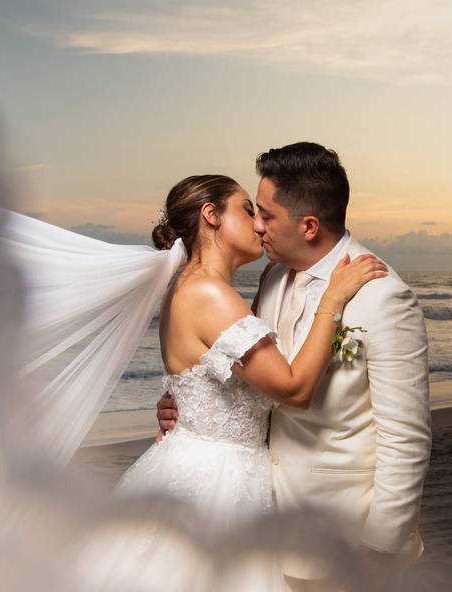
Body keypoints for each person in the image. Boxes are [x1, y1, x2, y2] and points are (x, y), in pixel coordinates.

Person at [157, 143, 432, 591]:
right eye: (252, 212)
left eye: (265, 214)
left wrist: (384, 543)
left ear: (308, 226)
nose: (258, 225)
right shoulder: (272, 276)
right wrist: (187, 407)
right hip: (261, 515)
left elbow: (406, 436)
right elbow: (238, 366)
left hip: (339, 533)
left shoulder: (382, 296)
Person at [108, 173, 387, 590]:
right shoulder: (210, 295)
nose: (258, 223)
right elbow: (293, 388)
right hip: (215, 484)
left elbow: (212, 372)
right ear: (211, 216)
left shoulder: (195, 288)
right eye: (247, 209)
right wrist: (330, 300)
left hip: (198, 464)